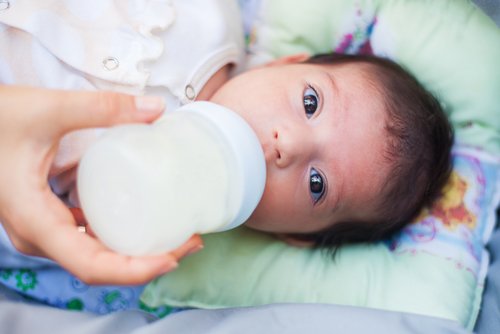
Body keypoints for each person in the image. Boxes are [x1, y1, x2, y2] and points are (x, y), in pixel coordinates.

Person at [0, 0, 452, 312]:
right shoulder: (211, 18)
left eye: (317, 184)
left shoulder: (140, 232)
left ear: (294, 235)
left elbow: (23, 230)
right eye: (311, 103)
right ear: (285, 64)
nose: (288, 144)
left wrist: (80, 225)